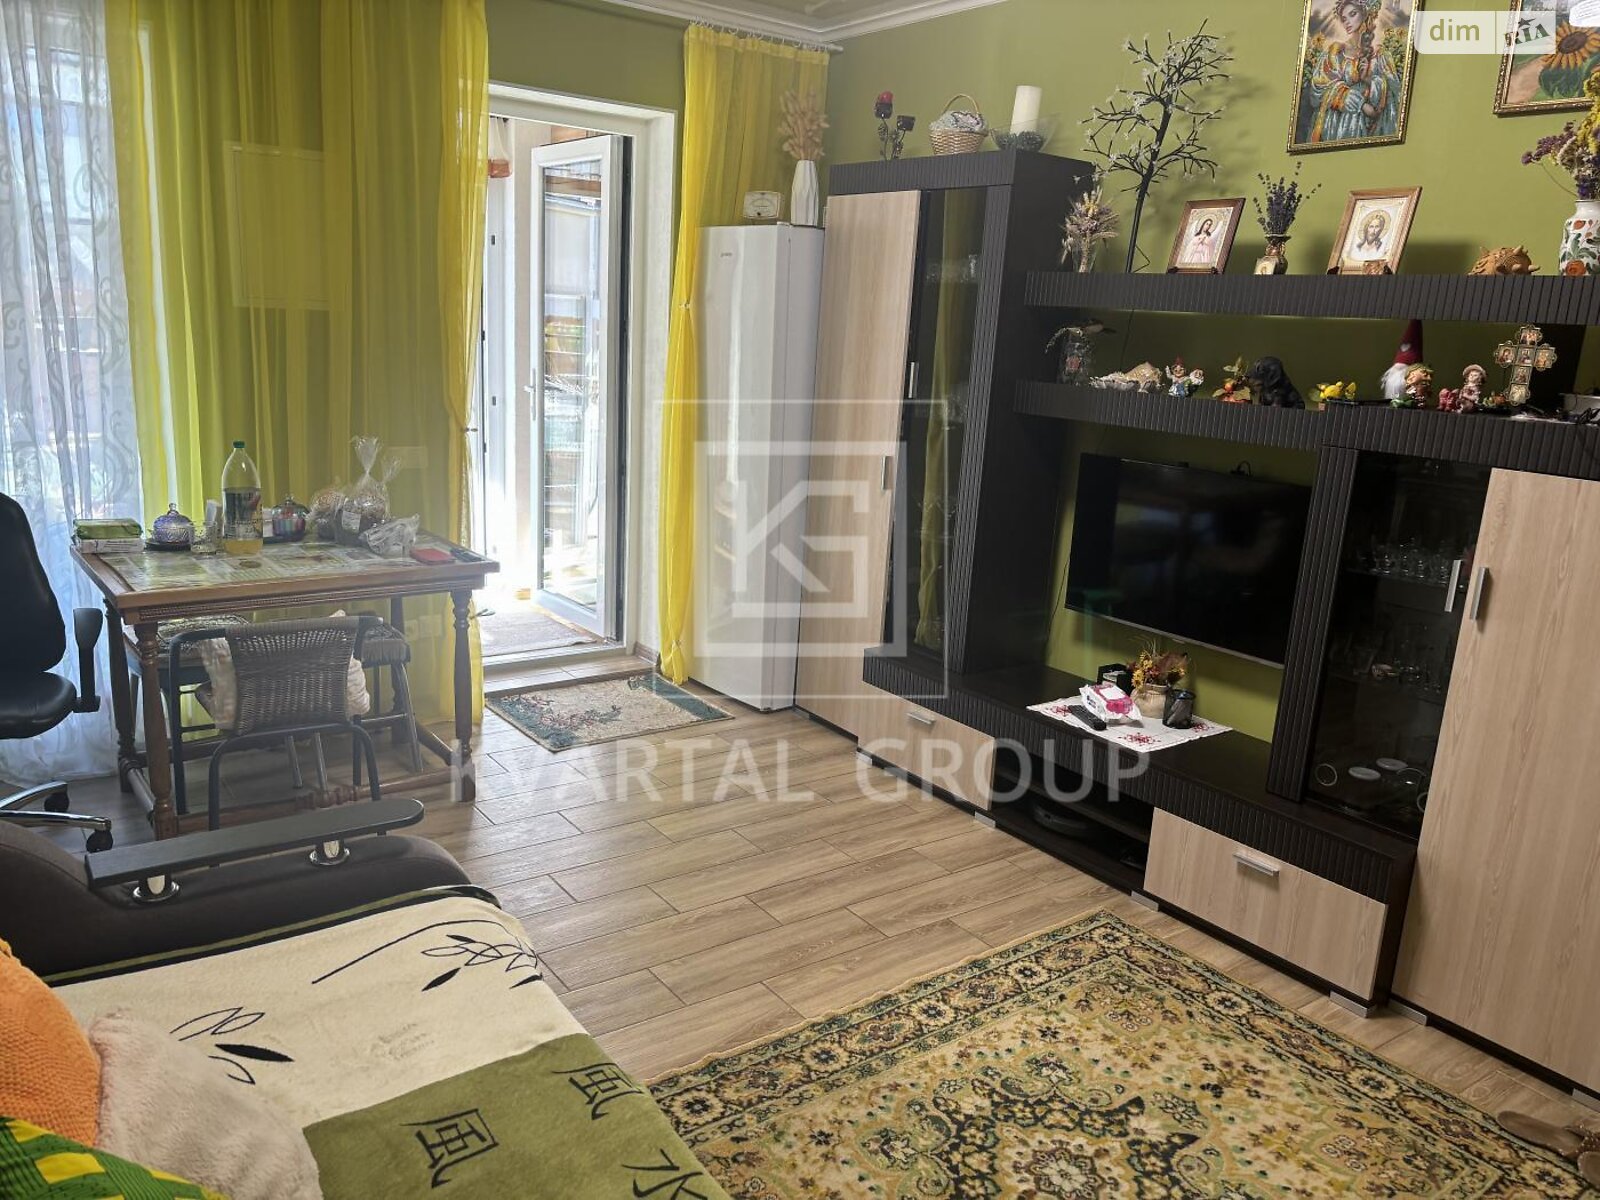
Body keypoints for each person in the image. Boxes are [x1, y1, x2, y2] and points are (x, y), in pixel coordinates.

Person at [1303, 0, 1401, 144]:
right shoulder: (1335, 53)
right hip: (1334, 127)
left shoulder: (1381, 56)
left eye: (1352, 14)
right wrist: (1360, 104)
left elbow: (1395, 95)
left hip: (1366, 129)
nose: (1347, 22)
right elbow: (1318, 89)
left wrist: (1368, 79)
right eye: (1344, 19)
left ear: (1365, 14)